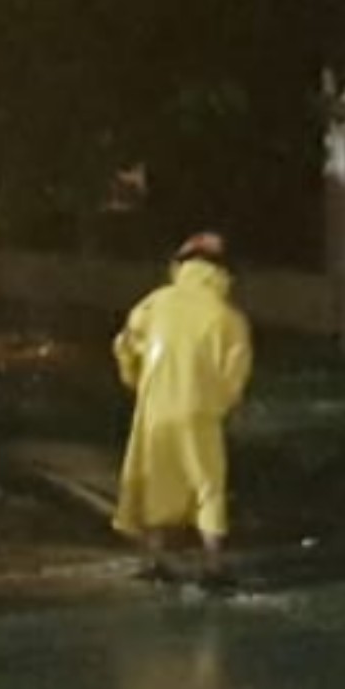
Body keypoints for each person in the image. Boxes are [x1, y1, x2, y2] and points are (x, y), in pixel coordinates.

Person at [112, 234, 255, 580]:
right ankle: (213, 563)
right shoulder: (228, 318)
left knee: (157, 477)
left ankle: (155, 559)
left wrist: (135, 380)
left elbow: (124, 345)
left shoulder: (154, 304)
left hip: (155, 408)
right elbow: (234, 374)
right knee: (208, 484)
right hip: (200, 411)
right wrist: (222, 406)